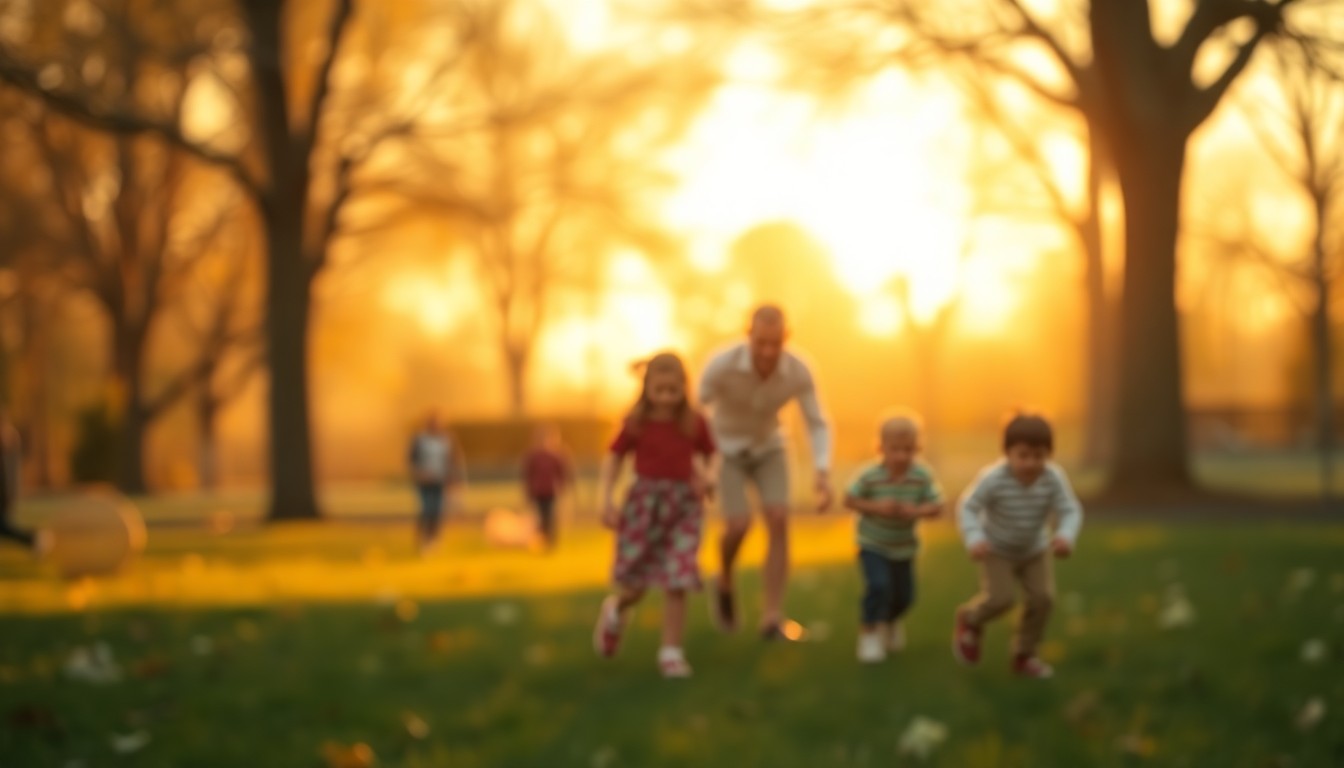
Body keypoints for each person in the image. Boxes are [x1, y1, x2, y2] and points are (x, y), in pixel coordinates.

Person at [699, 304, 832, 640]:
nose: (768, 351)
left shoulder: (799, 370)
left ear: (785, 339)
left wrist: (822, 470)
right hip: (725, 449)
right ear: (749, 336)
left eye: (776, 343)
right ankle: (725, 576)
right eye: (761, 343)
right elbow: (694, 413)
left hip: (771, 447)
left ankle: (772, 618)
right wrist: (699, 467)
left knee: (777, 517)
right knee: (739, 524)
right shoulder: (721, 363)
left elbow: (816, 422)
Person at [592, 353, 716, 678]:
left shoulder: (694, 422)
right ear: (646, 388)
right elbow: (613, 460)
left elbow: (712, 453)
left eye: (672, 392)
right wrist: (605, 498)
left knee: (678, 579)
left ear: (683, 389)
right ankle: (616, 610)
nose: (664, 399)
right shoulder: (635, 422)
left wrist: (710, 477)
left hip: (684, 507)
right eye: (658, 391)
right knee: (636, 586)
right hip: (644, 508)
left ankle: (671, 653)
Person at [952, 412, 1084, 679]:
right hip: (997, 549)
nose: (1031, 463)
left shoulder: (1052, 478)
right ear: (1007, 453)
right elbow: (967, 506)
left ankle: (1024, 655)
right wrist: (974, 537)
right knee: (1001, 600)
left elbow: (1070, 509)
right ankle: (970, 619)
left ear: (1049, 454)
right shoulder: (994, 478)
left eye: (1039, 456)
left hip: (1034, 550)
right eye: (1023, 455)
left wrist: (1065, 535)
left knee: (1043, 599)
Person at [844, 412, 943, 663]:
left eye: (908, 450)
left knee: (904, 597)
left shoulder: (921, 476)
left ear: (917, 448)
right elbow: (849, 499)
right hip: (872, 543)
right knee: (878, 586)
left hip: (904, 547)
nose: (901, 456)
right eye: (895, 449)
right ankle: (869, 633)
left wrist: (916, 511)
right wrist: (878, 508)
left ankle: (889, 621)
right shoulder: (870, 475)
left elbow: (937, 506)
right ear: (881, 448)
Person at [407, 411, 464, 556]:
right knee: (427, 509)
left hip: (440, 479)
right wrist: (418, 473)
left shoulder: (447, 439)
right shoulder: (420, 439)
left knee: (437, 510)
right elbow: (412, 459)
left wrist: (454, 479)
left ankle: (434, 540)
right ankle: (423, 539)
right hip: (424, 481)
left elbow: (453, 460)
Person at [0, 410, 50, 556]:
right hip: (6, 496)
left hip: (3, 496)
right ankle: (34, 539)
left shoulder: (7, 443)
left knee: (3, 528)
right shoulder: (8, 442)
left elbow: (9, 477)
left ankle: (34, 539)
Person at [521, 424, 572, 551]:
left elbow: (562, 473)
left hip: (551, 491)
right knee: (540, 518)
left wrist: (562, 487)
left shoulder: (556, 455)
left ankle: (551, 542)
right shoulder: (533, 455)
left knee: (551, 516)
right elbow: (527, 474)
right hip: (538, 491)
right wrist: (528, 491)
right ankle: (541, 541)